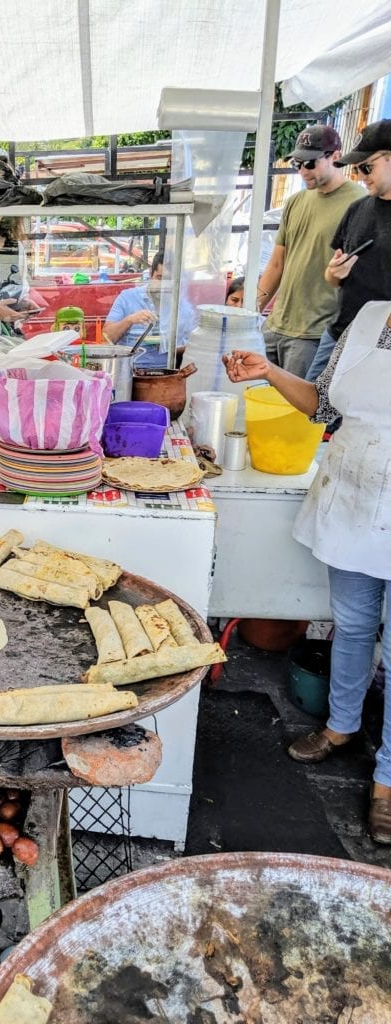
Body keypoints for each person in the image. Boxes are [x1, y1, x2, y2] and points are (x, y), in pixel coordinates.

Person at [223, 299, 391, 843]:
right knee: (353, 624)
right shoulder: (369, 318)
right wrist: (269, 372)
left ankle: (388, 780)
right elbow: (323, 405)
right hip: (352, 498)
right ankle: (341, 727)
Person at [255, 125, 364, 379]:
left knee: (295, 413)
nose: (303, 170)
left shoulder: (359, 204)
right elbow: (277, 264)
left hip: (314, 333)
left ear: (335, 157)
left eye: (310, 163)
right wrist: (253, 311)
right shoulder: (295, 201)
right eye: (297, 163)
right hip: (274, 325)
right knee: (256, 404)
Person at [306, 119, 391, 382]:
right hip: (339, 333)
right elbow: (333, 278)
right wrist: (334, 272)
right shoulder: (358, 209)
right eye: (357, 169)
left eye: (367, 167)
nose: (361, 176)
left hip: (381, 344)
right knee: (309, 412)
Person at [103, 251, 196, 368]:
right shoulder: (127, 297)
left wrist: (168, 346)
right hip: (130, 369)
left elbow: (191, 346)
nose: (162, 285)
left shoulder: (182, 307)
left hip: (165, 371)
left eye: (168, 281)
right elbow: (107, 336)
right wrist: (130, 320)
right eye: (159, 278)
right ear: (151, 274)